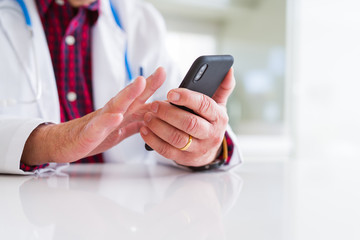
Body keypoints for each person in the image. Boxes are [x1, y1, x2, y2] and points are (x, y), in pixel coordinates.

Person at [0, 0, 242, 174]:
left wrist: (203, 147)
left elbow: (179, 122)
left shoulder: (140, 18)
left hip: (121, 215)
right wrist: (52, 142)